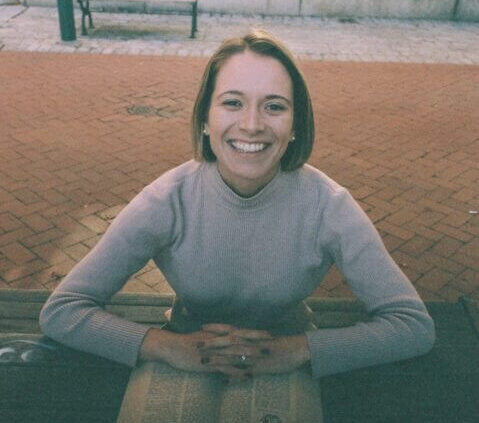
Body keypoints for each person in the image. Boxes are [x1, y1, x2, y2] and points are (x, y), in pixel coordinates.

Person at [39, 29, 435, 383]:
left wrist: (297, 351)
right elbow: (63, 311)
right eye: (232, 102)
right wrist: (168, 347)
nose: (251, 125)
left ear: (296, 125)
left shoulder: (328, 206)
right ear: (206, 118)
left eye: (274, 106)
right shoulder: (167, 199)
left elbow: (412, 326)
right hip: (184, 363)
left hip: (293, 371)